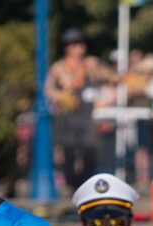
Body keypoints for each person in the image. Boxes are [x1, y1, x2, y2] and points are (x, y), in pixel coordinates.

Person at [44, 28, 111, 191]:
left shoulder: (90, 65)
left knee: (90, 150)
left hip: (86, 115)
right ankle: (72, 185)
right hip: (67, 116)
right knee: (69, 151)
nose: (79, 48)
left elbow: (109, 77)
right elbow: (48, 89)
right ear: (67, 47)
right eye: (74, 44)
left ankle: (84, 183)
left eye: (80, 44)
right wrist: (62, 97)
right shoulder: (58, 68)